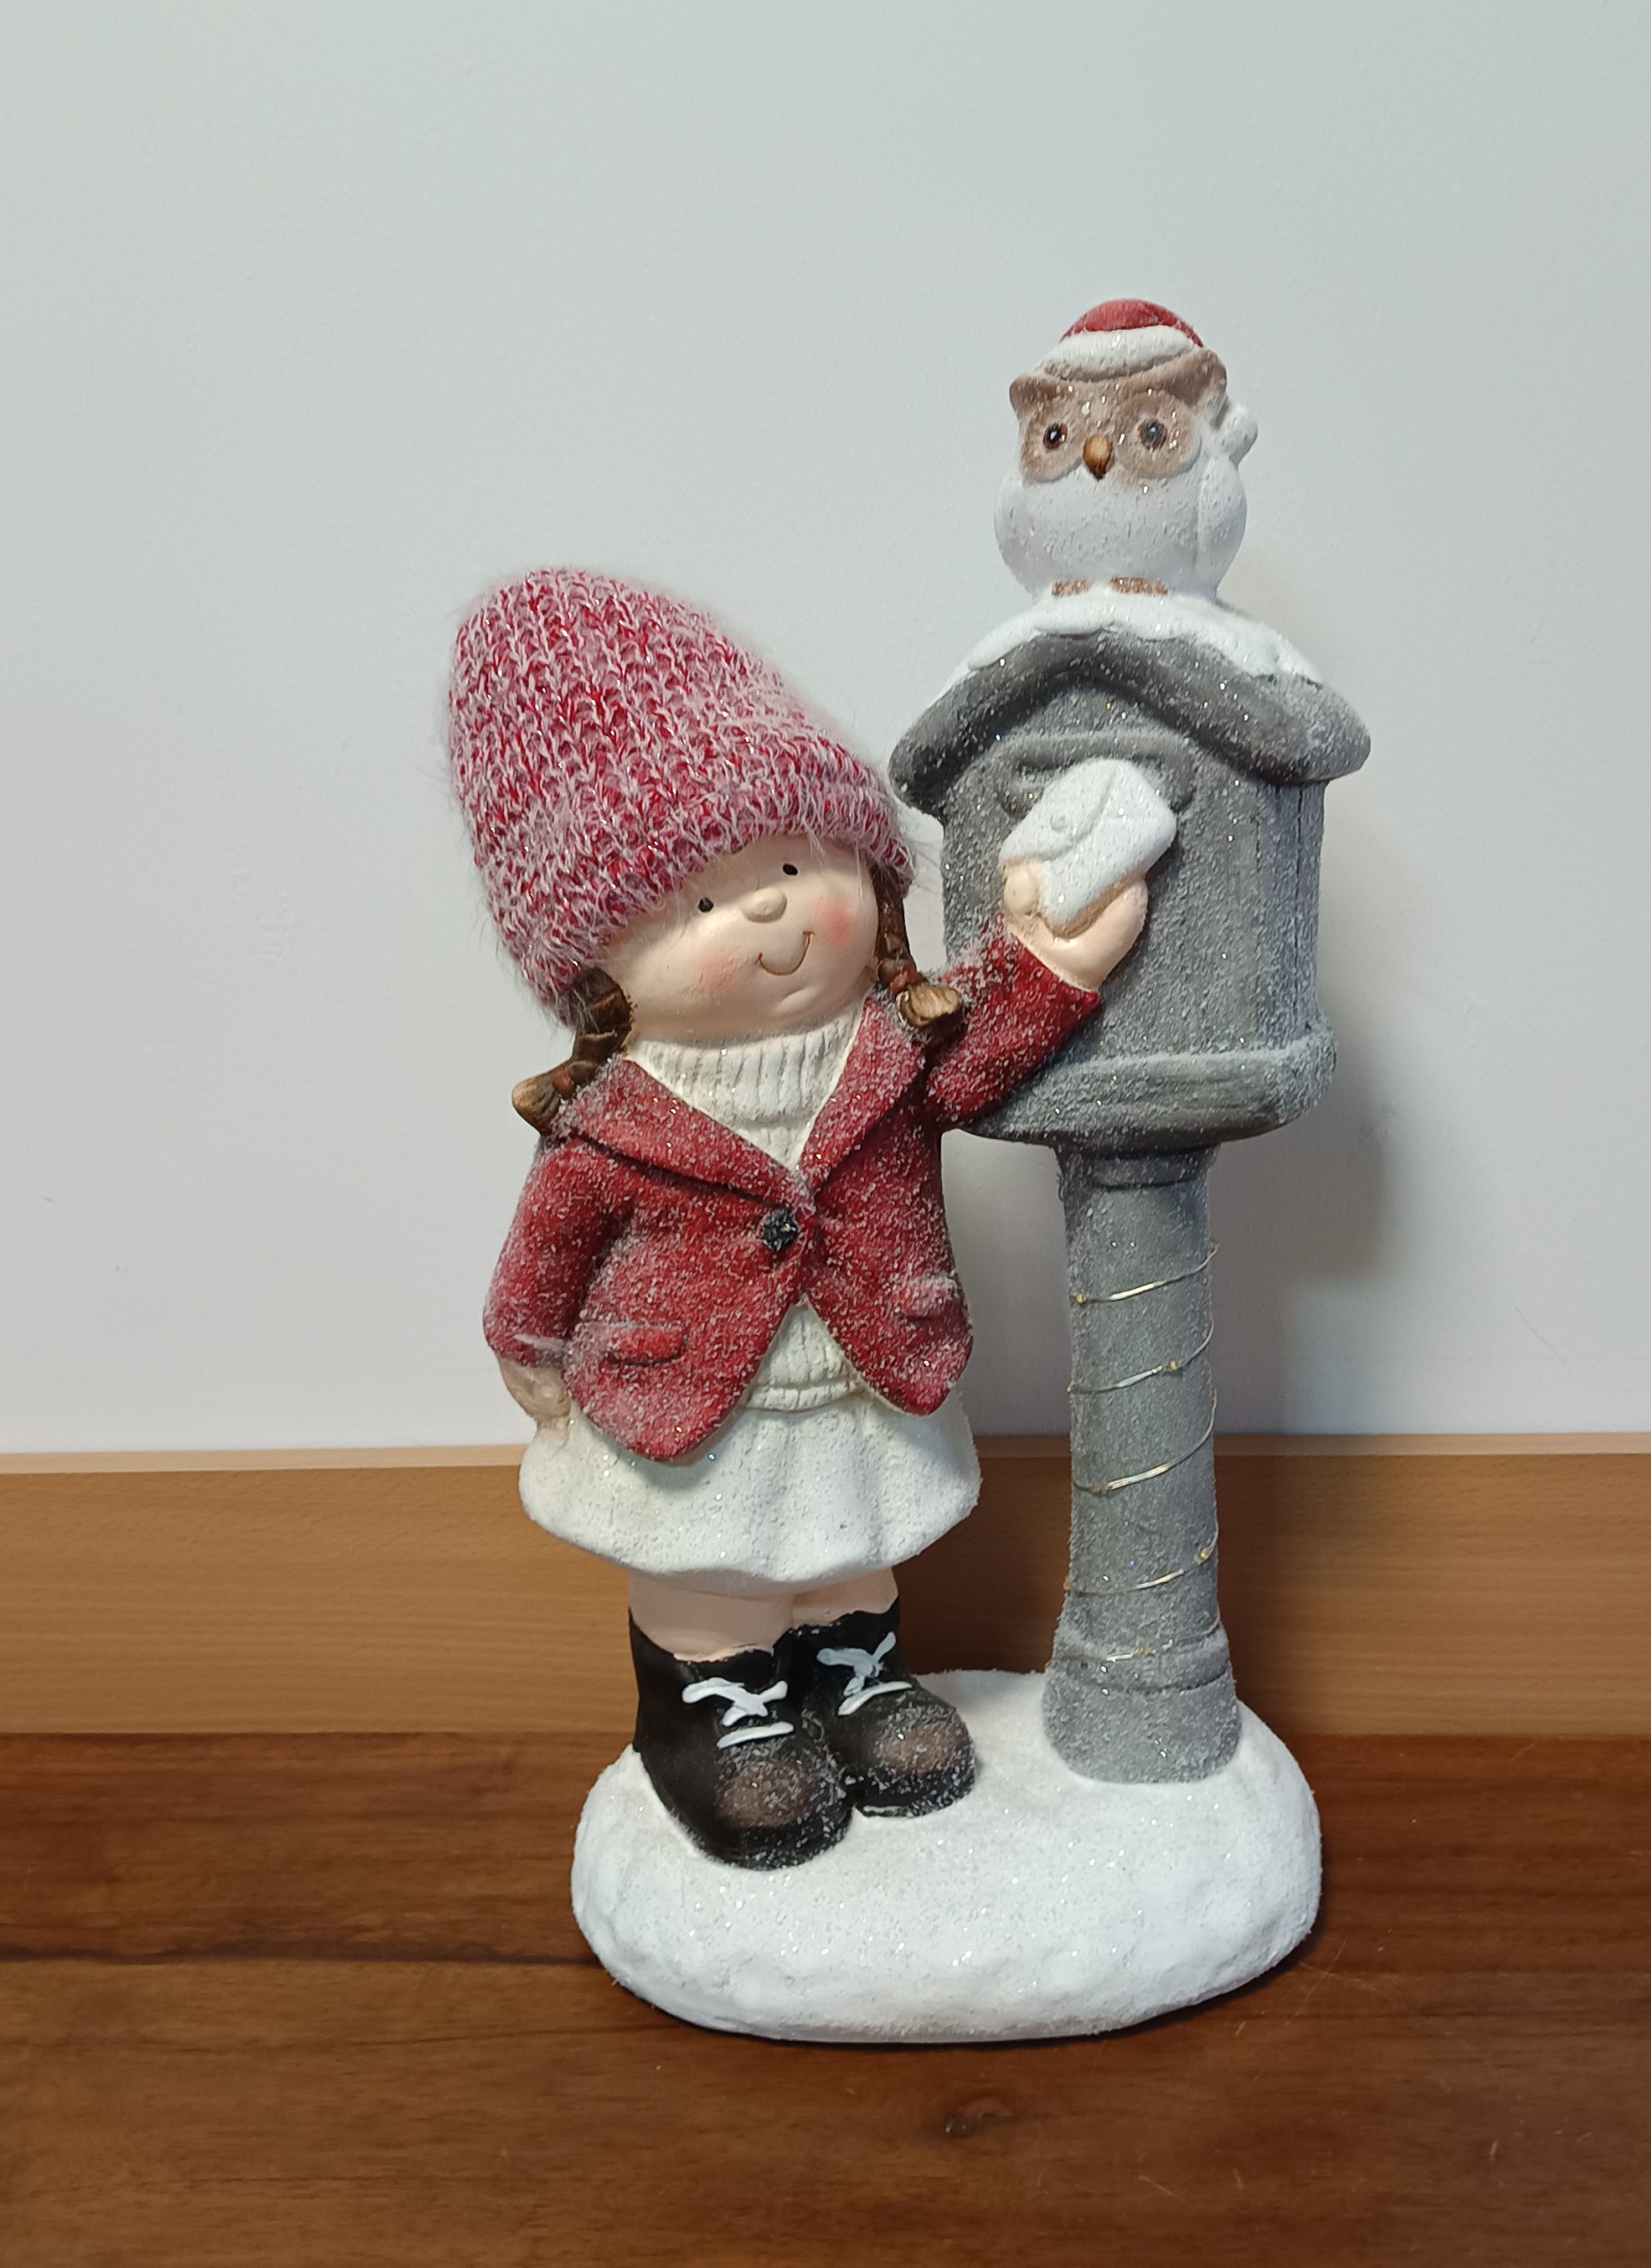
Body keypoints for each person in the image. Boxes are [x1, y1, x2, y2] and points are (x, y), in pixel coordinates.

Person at [449, 571, 1147, 1868]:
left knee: (849, 1548)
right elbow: (552, 1240)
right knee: (711, 1566)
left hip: (861, 1374)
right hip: (691, 1402)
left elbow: (975, 1050)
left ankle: (857, 1676)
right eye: (701, 903)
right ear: (596, 971)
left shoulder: (889, 1047)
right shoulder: (609, 1118)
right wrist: (524, 1339)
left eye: (790, 864)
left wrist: (1054, 960)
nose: (769, 909)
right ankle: (715, 1709)